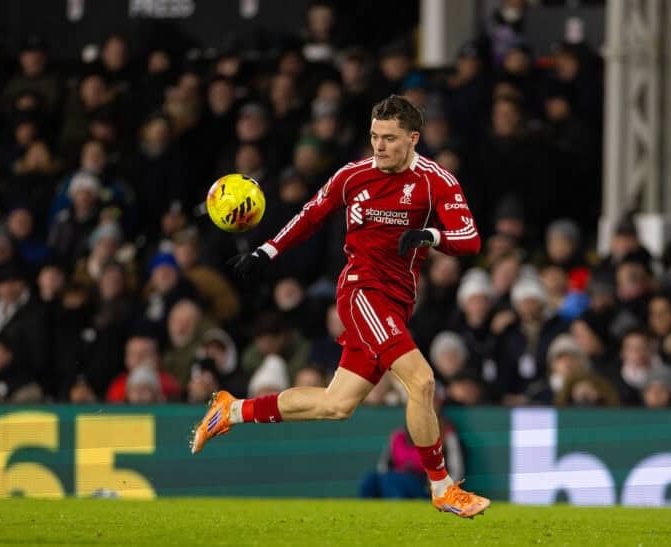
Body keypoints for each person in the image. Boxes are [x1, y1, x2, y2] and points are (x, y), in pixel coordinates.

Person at [191, 95, 489, 518]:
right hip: (362, 291)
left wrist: (431, 237)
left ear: (413, 139)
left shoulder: (435, 181)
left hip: (398, 300)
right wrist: (266, 252)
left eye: (389, 138)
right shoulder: (352, 176)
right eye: (373, 136)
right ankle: (442, 488)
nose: (379, 146)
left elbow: (471, 239)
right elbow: (311, 214)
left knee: (336, 404)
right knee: (421, 382)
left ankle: (233, 409)